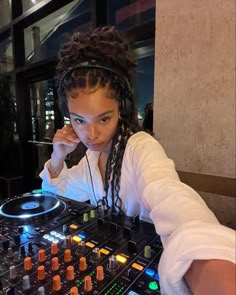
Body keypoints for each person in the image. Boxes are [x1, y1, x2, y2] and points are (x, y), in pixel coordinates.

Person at [40, 26, 235, 295]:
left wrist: (211, 266)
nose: (91, 134)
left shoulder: (141, 148)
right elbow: (53, 192)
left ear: (123, 109)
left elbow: (172, 198)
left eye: (104, 118)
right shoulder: (90, 158)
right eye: (79, 121)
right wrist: (58, 155)